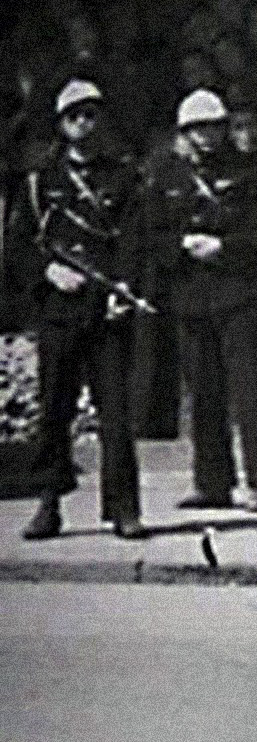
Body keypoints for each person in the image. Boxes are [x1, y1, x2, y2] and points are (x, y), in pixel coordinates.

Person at [5, 78, 149, 540]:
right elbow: (17, 247)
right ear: (61, 125)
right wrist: (48, 272)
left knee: (116, 414)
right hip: (61, 311)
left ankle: (124, 508)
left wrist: (122, 289)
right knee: (55, 411)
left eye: (91, 114)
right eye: (75, 116)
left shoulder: (121, 177)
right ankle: (49, 503)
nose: (84, 124)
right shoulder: (38, 182)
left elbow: (132, 240)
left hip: (105, 309)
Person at [144, 88, 257, 511]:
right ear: (183, 132)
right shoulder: (165, 177)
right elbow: (149, 233)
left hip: (239, 291)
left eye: (212, 127)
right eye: (196, 128)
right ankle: (212, 481)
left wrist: (225, 247)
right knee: (203, 393)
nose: (205, 136)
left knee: (251, 390)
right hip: (190, 295)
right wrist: (181, 245)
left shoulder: (249, 172)